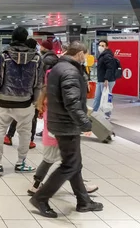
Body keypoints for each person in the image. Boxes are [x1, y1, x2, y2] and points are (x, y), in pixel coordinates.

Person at [30, 42, 103, 218]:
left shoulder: (58, 67)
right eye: (85, 55)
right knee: (69, 164)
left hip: (60, 121)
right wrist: (84, 122)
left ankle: (83, 200)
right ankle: (41, 197)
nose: (86, 58)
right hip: (67, 124)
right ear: (79, 54)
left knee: (74, 164)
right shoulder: (70, 71)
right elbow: (72, 102)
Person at [28, 68, 98, 196]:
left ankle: (36, 184)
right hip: (57, 136)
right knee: (61, 161)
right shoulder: (52, 100)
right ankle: (36, 185)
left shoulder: (46, 97)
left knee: (66, 162)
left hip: (53, 135)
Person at [0, 27, 42, 176]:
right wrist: (35, 101)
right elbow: (38, 82)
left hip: (4, 101)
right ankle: (21, 163)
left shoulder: (3, 55)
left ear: (12, 38)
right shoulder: (36, 57)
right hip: (25, 102)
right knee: (25, 133)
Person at [5, 38, 55, 148]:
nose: (40, 47)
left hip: (29, 91)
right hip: (37, 91)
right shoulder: (41, 58)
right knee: (31, 116)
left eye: (41, 46)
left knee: (21, 114)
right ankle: (28, 140)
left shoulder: (39, 59)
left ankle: (10, 136)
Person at [92, 39, 117, 113]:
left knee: (106, 98)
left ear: (106, 47)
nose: (100, 47)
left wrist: (106, 79)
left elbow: (110, 68)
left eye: (102, 46)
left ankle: (107, 114)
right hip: (100, 80)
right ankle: (94, 113)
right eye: (99, 45)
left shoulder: (107, 55)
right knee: (97, 97)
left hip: (107, 80)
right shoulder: (101, 55)